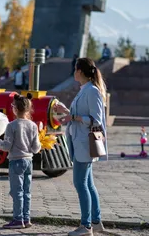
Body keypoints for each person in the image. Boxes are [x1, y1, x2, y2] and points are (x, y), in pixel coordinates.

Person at [54, 57, 108, 236]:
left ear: (80, 71)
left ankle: (86, 226)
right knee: (89, 184)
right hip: (80, 143)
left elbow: (96, 121)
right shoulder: (85, 90)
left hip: (85, 144)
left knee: (80, 183)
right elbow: (81, 115)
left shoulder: (92, 91)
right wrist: (67, 112)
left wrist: (74, 118)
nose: (74, 72)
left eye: (76, 69)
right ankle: (96, 221)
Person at [0, 93, 41, 229]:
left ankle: (17, 219)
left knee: (17, 192)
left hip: (16, 162)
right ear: (28, 109)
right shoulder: (33, 126)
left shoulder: (11, 126)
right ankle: (26, 218)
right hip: (28, 161)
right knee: (27, 191)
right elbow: (36, 148)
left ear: (14, 109)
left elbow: (6, 146)